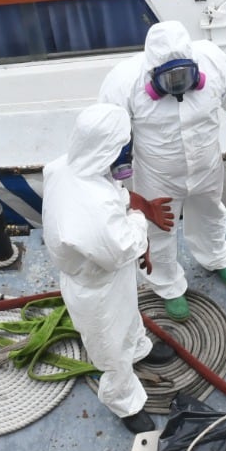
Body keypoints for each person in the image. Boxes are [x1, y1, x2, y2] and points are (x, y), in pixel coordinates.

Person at [99, 20, 226, 323]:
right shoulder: (122, 80)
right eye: (171, 78)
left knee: (211, 210)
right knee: (158, 226)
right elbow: (107, 137)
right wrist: (122, 189)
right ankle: (168, 285)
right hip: (157, 172)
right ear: (152, 73)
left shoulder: (215, 59)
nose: (179, 83)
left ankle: (215, 256)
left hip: (207, 163)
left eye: (185, 75)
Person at [42, 103, 156, 434]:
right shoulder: (92, 207)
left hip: (104, 277)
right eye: (124, 146)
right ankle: (125, 402)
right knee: (111, 348)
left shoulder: (62, 168)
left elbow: (112, 199)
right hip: (98, 288)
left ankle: (139, 348)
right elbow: (122, 249)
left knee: (129, 318)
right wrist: (138, 218)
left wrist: (124, 210)